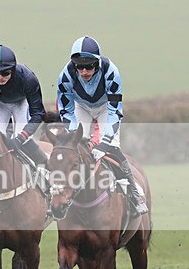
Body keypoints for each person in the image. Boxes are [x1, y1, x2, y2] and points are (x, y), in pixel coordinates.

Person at [57, 35, 148, 216]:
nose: (83, 71)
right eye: (79, 66)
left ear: (97, 63)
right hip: (80, 107)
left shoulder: (111, 72)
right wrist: (76, 135)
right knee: (74, 148)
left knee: (112, 148)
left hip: (106, 107)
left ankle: (133, 192)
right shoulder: (65, 76)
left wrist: (105, 142)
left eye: (89, 66)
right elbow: (65, 110)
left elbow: (115, 111)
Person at [0, 44, 50, 173]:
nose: (0, 78)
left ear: (13, 70)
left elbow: (38, 113)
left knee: (23, 138)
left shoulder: (28, 79)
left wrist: (20, 138)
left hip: (21, 103)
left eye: (5, 73)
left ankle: (44, 166)